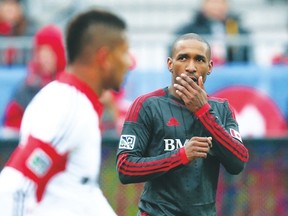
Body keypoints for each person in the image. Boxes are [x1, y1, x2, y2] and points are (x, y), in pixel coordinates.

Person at [0, 8, 131, 216]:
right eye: (123, 52)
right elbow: (15, 187)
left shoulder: (75, 103)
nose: (129, 61)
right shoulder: (69, 107)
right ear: (104, 57)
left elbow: (81, 190)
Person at [116, 33, 249, 215]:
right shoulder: (147, 105)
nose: (191, 67)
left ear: (209, 67)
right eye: (183, 58)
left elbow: (238, 162)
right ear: (170, 64)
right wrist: (182, 156)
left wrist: (203, 111)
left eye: (199, 60)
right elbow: (125, 168)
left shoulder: (222, 109)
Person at [2, 24, 66, 137]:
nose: (45, 58)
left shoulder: (67, 85)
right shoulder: (27, 86)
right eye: (42, 52)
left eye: (51, 53)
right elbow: (11, 123)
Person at [174, 0, 250, 65]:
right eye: (212, 2)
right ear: (204, 4)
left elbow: (244, 59)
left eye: (221, 2)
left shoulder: (237, 29)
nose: (217, 6)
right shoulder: (189, 29)